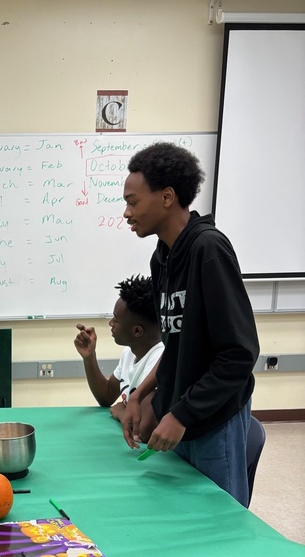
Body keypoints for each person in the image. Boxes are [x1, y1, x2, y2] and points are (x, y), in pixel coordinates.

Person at [120, 142, 259, 506]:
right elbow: (179, 346)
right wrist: (141, 393)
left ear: (167, 197)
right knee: (184, 515)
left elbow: (239, 355)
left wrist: (181, 414)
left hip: (213, 420)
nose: (126, 212)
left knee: (218, 526)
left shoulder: (208, 250)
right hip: (182, 418)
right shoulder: (162, 258)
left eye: (133, 202)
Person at [74, 274, 163, 426]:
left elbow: (143, 429)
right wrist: (89, 357)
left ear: (137, 331)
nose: (110, 323)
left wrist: (121, 412)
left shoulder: (159, 359)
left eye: (116, 319)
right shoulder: (130, 353)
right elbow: (106, 396)